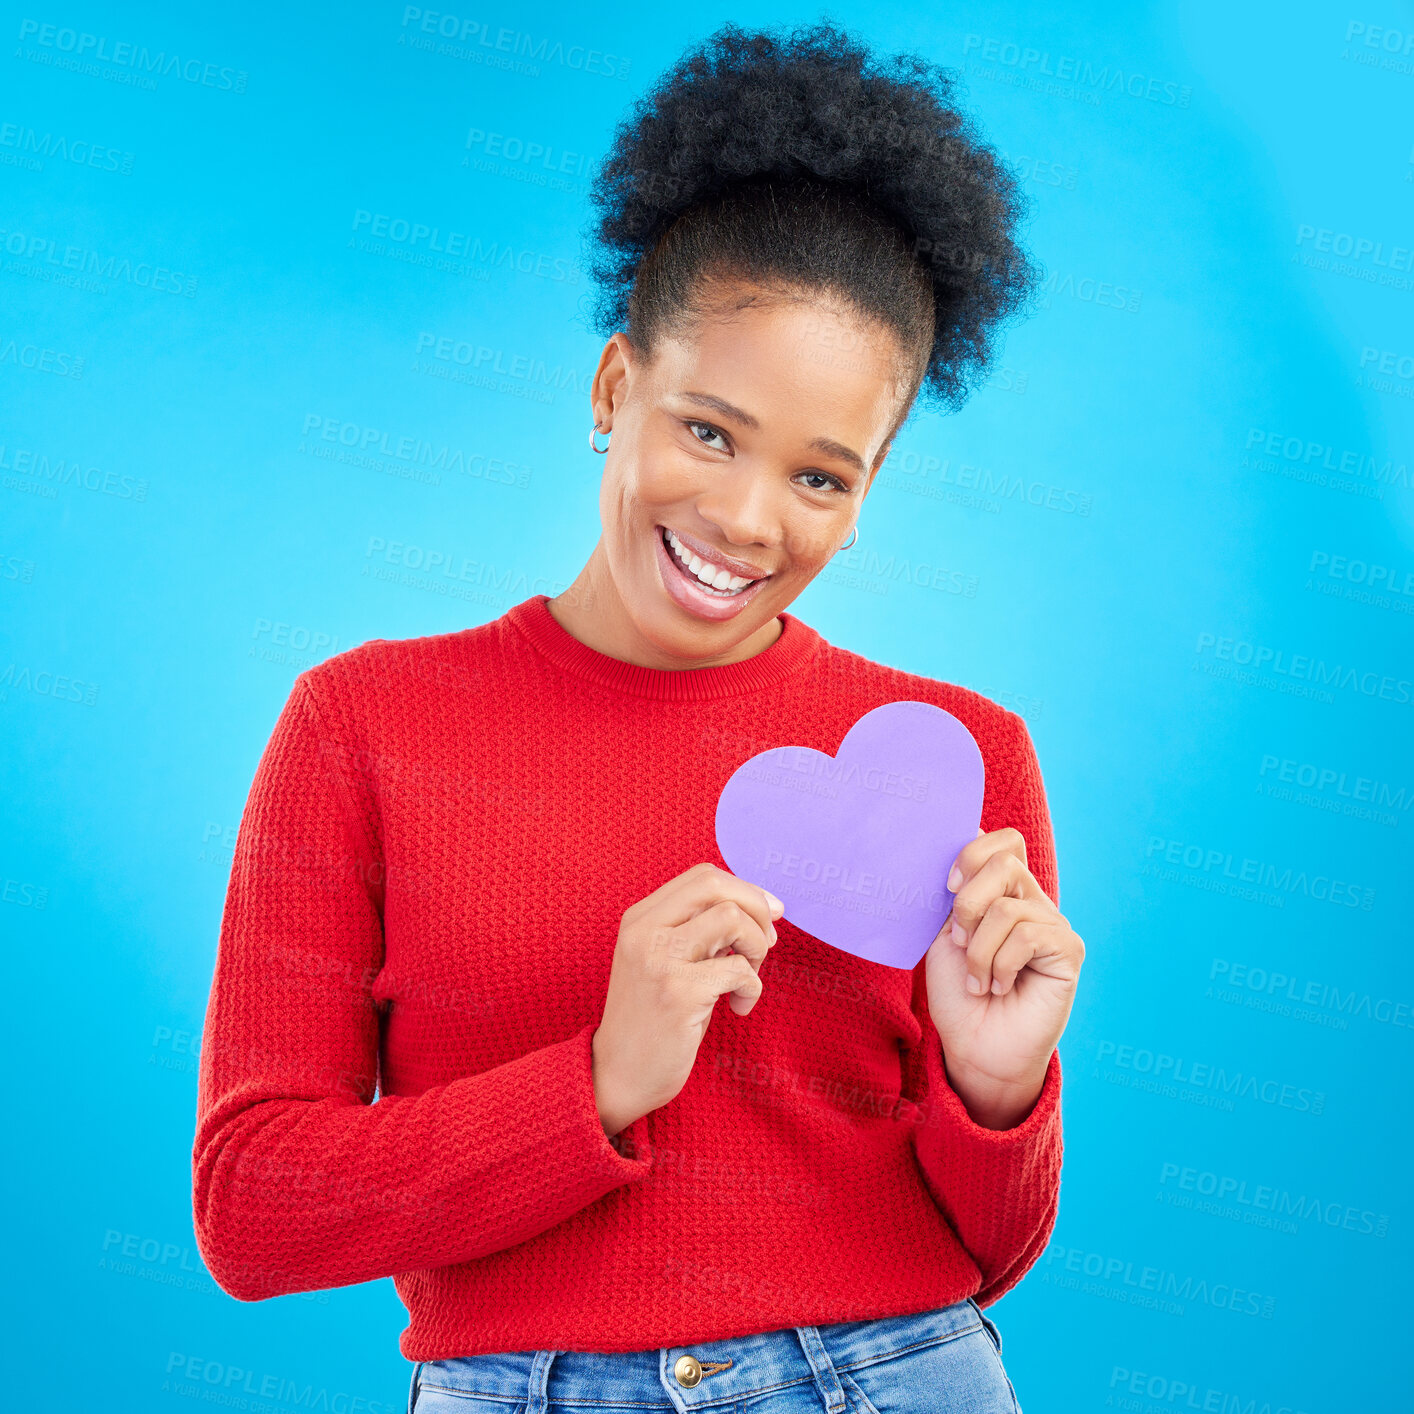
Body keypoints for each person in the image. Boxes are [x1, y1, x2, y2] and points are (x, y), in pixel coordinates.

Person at [192, 19, 1085, 1414]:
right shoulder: (363, 723)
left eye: (821, 477)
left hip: (896, 1370)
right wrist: (596, 1084)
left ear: (868, 496)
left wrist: (994, 1090)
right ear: (616, 390)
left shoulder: (955, 755)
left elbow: (989, 1249)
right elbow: (253, 1210)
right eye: (709, 430)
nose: (742, 519)